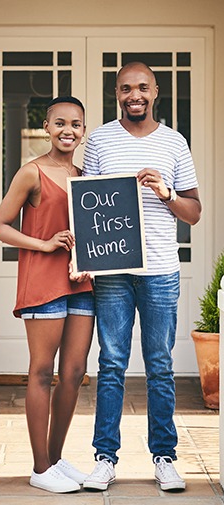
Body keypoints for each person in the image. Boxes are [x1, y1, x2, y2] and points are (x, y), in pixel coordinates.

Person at [82, 62, 201, 492]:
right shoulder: (99, 140)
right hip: (113, 270)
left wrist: (165, 192)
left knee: (160, 365)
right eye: (127, 88)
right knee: (111, 364)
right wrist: (87, 257)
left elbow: (195, 211)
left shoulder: (174, 142)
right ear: (116, 92)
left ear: (156, 92)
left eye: (143, 87)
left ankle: (164, 457)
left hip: (161, 272)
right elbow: (88, 208)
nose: (135, 94)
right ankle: (104, 458)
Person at [0, 96, 95, 494]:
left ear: (84, 131)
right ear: (47, 126)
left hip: (80, 283)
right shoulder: (31, 173)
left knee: (73, 374)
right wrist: (45, 244)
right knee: (41, 371)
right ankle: (38, 467)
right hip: (42, 285)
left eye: (77, 124)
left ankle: (54, 460)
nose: (69, 130)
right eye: (61, 123)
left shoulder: (87, 178)